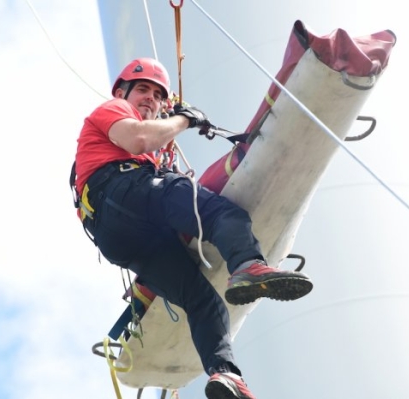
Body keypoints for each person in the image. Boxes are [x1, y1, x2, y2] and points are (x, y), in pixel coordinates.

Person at [72, 57, 313, 399]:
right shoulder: (112, 109)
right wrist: (184, 119)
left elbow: (147, 147)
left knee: (204, 302)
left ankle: (224, 374)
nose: (150, 99)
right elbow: (139, 138)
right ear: (123, 91)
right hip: (122, 191)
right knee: (220, 214)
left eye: (158, 95)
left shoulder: (144, 148)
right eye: (142, 89)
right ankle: (247, 265)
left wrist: (172, 127)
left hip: (120, 234)